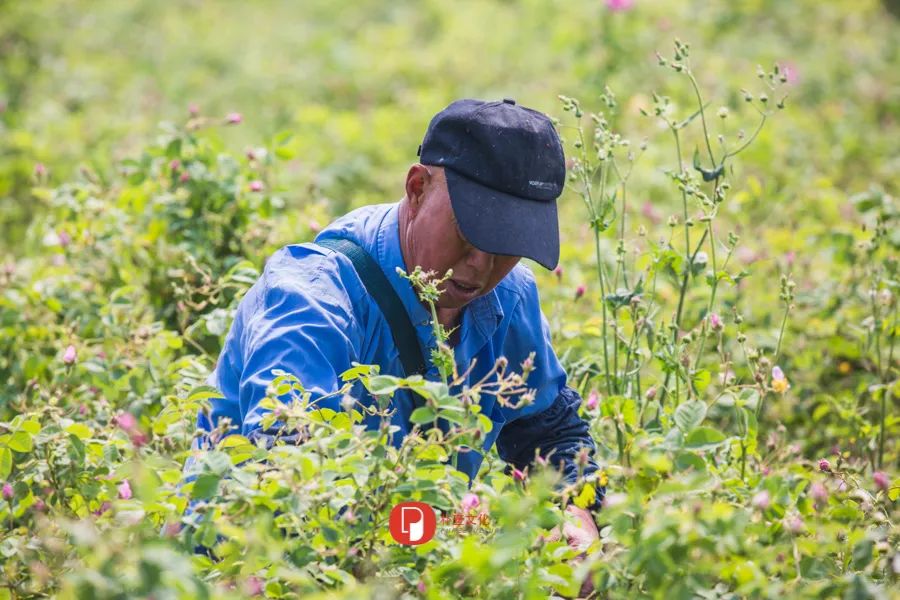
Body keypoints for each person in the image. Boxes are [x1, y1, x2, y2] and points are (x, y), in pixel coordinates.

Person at [189, 98, 604, 550]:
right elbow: (288, 473)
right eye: (469, 232)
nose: (482, 265)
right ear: (417, 188)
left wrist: (574, 513)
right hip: (245, 563)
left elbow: (549, 434)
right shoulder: (310, 297)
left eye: (507, 244)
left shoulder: (510, 296)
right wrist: (467, 530)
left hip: (407, 555)